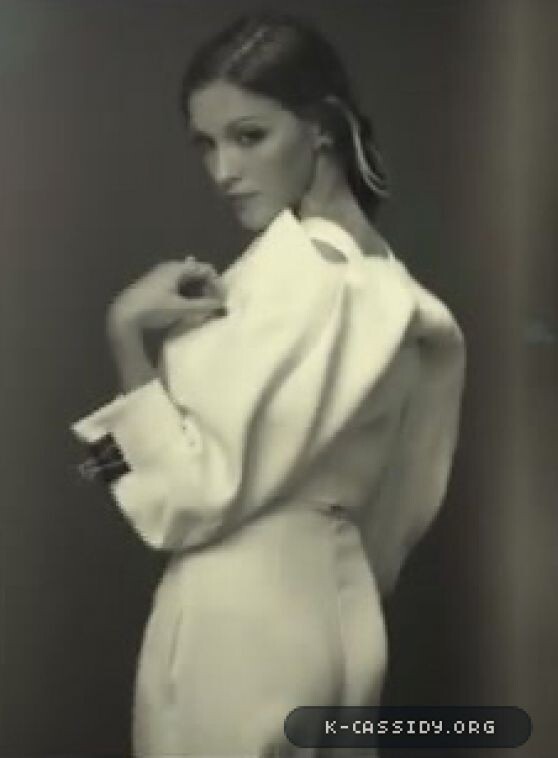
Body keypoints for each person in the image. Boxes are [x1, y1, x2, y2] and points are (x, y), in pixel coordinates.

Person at [70, 11, 466, 758]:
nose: (223, 170)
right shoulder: (397, 293)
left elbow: (179, 503)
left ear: (321, 127)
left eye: (249, 136)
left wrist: (124, 334)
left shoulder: (294, 279)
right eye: (207, 144)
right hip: (342, 613)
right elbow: (405, 499)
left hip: (236, 627)